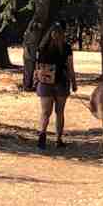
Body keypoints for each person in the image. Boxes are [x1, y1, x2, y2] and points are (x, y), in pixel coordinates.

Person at [35, 21, 77, 150]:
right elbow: (70, 68)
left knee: (45, 112)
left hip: (45, 82)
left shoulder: (42, 47)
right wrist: (74, 83)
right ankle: (58, 139)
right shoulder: (66, 48)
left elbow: (37, 66)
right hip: (61, 82)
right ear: (62, 34)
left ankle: (42, 135)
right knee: (59, 112)